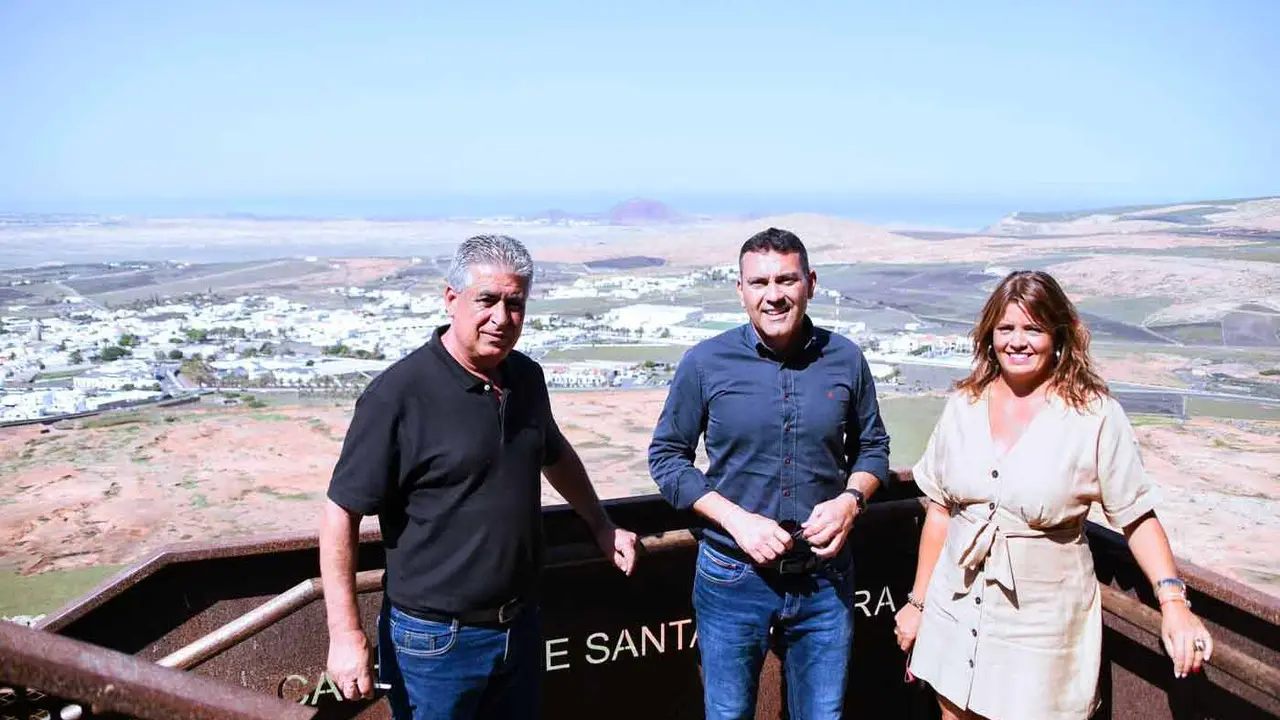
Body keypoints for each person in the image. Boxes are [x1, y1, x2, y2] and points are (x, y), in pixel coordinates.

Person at [319, 234, 639, 720]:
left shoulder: (526, 378)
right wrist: (345, 634)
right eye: (486, 300)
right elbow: (341, 512)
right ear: (451, 299)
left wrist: (599, 522)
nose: (501, 318)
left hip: (520, 626)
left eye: (515, 303)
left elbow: (553, 452)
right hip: (435, 643)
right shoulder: (398, 396)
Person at [893, 270, 1215, 720]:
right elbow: (941, 512)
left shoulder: (1094, 415)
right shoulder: (963, 406)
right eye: (1006, 328)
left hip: (1042, 626)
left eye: (1033, 329)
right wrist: (918, 603)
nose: (1017, 341)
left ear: (1059, 336)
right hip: (957, 607)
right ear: (989, 336)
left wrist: (1174, 603)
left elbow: (1137, 517)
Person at [648, 227, 892, 720]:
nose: (773, 295)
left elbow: (873, 448)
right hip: (732, 575)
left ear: (811, 283)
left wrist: (851, 501)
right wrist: (737, 520)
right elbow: (668, 458)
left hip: (825, 577)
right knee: (728, 713)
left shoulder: (845, 358)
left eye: (786, 280)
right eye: (759, 283)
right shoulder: (705, 362)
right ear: (740, 290)